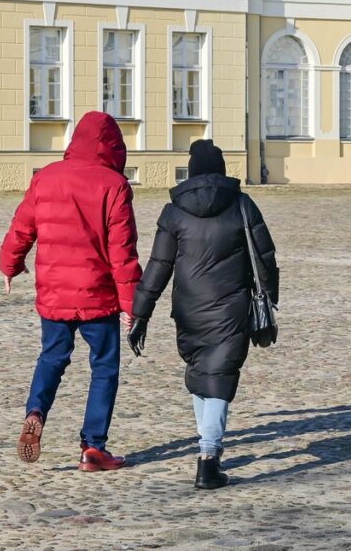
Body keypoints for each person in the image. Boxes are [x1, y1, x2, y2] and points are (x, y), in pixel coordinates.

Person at [127, 139, 279, 489]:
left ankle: (208, 449)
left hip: (188, 311)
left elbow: (158, 267)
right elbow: (265, 255)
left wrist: (141, 313)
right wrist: (269, 300)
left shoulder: (174, 211)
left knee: (203, 375)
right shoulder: (242, 204)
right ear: (223, 170)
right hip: (232, 308)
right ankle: (208, 458)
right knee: (217, 377)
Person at [0, 111, 141, 472]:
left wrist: (10, 265)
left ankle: (35, 411)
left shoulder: (46, 178)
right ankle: (93, 448)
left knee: (52, 357)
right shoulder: (113, 185)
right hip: (99, 295)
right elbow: (122, 251)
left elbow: (22, 227)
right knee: (104, 368)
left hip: (54, 292)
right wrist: (132, 304)